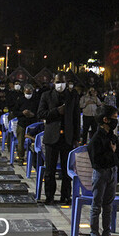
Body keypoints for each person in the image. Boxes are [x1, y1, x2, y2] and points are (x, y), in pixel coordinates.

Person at [37, 72, 80, 205]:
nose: (59, 85)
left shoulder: (72, 96)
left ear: (66, 83)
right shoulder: (46, 95)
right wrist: (56, 111)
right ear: (53, 82)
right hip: (51, 137)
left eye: (62, 82)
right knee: (50, 169)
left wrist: (76, 137)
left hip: (66, 137)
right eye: (57, 82)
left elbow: (76, 118)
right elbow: (40, 114)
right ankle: (49, 196)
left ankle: (66, 196)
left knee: (67, 170)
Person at [86, 105, 119, 236]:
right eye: (114, 118)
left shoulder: (112, 137)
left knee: (108, 205)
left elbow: (117, 156)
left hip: (112, 172)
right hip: (101, 173)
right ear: (105, 120)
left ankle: (106, 235)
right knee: (97, 205)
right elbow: (97, 160)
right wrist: (110, 151)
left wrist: (118, 171)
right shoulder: (96, 139)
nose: (116, 121)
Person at [14, 84, 40, 163]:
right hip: (22, 123)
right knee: (21, 141)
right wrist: (22, 113)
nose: (28, 95)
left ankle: (34, 159)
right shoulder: (20, 100)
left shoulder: (36, 100)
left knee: (34, 141)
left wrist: (33, 114)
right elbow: (15, 112)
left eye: (30, 93)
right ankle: (21, 157)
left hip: (33, 124)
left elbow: (40, 111)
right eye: (27, 93)